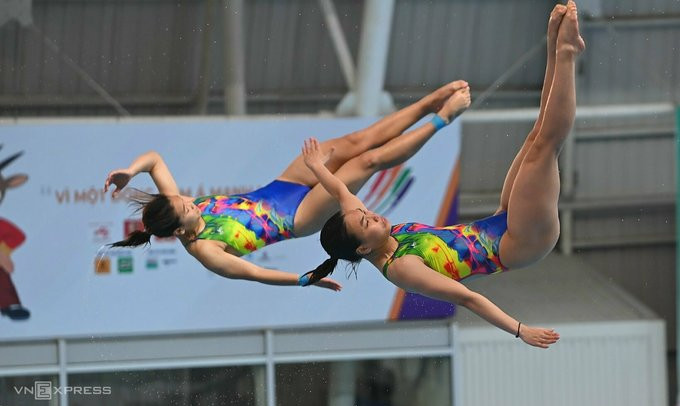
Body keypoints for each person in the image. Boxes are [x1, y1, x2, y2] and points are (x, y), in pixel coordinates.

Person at [300, 1, 585, 347]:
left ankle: (556, 51)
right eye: (366, 223)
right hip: (519, 243)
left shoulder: (372, 233)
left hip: (500, 221)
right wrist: (520, 329)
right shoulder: (401, 268)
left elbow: (341, 192)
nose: (371, 215)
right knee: (545, 147)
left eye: (364, 213)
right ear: (362, 250)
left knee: (536, 135)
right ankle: (568, 52)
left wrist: (317, 168)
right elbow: (466, 297)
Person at [103, 81, 472, 291]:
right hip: (296, 216)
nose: (190, 201)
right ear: (180, 229)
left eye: (184, 199)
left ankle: (428, 103)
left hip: (281, 187)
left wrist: (130, 171)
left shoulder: (174, 209)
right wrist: (304, 279)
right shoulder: (206, 249)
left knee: (358, 142)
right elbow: (255, 273)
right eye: (187, 208)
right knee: (367, 162)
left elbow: (153, 159)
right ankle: (443, 118)